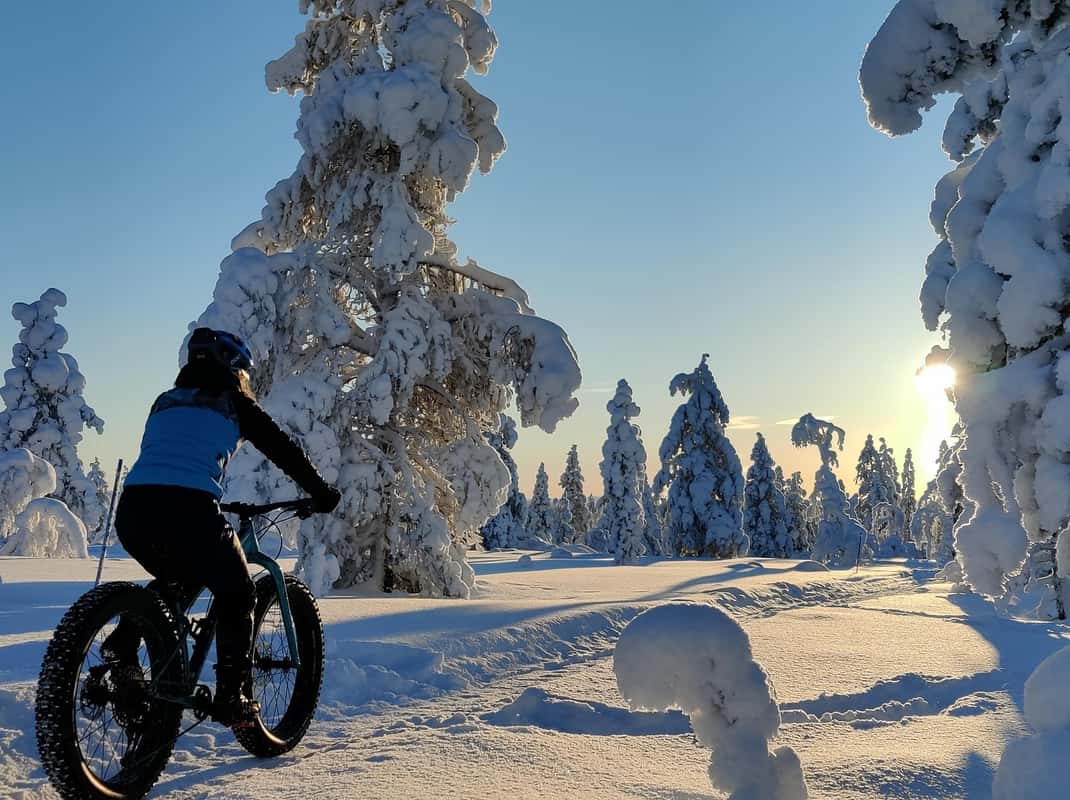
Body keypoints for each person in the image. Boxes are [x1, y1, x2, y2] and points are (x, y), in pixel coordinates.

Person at [103, 328, 340, 728]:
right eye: (242, 371)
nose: (244, 379)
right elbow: (283, 450)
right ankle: (234, 696)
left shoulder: (163, 402)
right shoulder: (234, 403)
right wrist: (320, 492)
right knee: (238, 592)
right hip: (191, 510)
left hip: (134, 512)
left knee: (176, 577)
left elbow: (172, 456)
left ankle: (124, 646)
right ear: (232, 368)